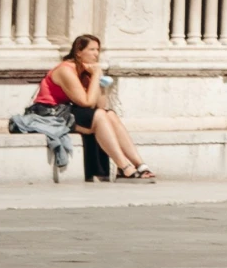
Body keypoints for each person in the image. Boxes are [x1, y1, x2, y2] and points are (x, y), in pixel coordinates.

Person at [21, 35, 154, 180]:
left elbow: (100, 106)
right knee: (100, 116)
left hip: (66, 110)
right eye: (91, 50)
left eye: (98, 50)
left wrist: (100, 81)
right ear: (78, 51)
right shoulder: (66, 70)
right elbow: (86, 103)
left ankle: (139, 164)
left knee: (109, 115)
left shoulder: (86, 71)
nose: (96, 54)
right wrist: (96, 74)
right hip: (49, 113)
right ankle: (124, 166)